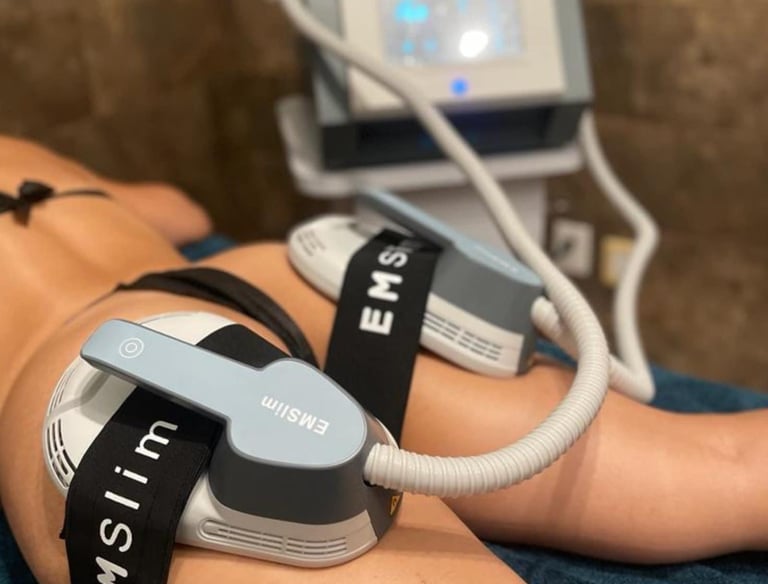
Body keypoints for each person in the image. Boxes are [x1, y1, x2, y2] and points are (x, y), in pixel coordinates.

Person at [0, 136, 765, 584]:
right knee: (729, 467)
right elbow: (182, 210)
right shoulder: (20, 147)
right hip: (265, 276)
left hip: (107, 359)